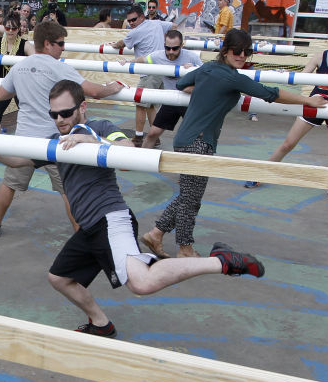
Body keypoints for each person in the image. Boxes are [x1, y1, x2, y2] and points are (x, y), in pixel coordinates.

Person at [39, 80, 263, 337]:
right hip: (89, 228)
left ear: (82, 108)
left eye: (65, 113)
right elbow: (16, 158)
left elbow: (129, 151)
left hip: (110, 219)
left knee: (141, 283)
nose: (59, 119)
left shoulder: (99, 128)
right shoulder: (58, 140)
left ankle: (221, 261)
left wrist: (91, 140)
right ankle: (101, 323)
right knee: (59, 278)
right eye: (53, 114)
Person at [144, 29, 328, 258]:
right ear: (225, 50)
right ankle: (185, 248)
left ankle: (156, 233)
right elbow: (270, 93)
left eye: (247, 52)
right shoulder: (232, 77)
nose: (242, 56)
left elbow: (182, 83)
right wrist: (307, 100)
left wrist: (205, 89)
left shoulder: (208, 69)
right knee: (191, 199)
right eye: (237, 51)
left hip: (186, 138)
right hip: (199, 142)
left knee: (188, 195)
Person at [0, 20, 124, 238]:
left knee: (10, 183)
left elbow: (1, 95)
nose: (63, 48)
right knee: (68, 191)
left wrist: (24, 87)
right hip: (57, 141)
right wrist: (113, 87)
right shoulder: (59, 68)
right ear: (48, 44)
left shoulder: (20, 65)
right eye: (60, 43)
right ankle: (80, 234)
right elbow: (94, 92)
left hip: (25, 139)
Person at [245, 24, 328, 202]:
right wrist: (285, 74)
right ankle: (261, 174)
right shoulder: (320, 56)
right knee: (288, 144)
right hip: (315, 103)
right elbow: (301, 78)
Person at [111, 5, 175, 144]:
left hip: (149, 71)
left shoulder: (135, 32)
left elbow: (122, 44)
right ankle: (155, 137)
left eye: (133, 20)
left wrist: (114, 45)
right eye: (129, 21)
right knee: (150, 105)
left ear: (141, 17)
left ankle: (138, 137)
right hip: (162, 70)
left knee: (140, 104)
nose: (131, 23)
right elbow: (173, 25)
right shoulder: (157, 23)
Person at [139, 29, 203, 150]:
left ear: (182, 46)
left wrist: (194, 68)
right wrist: (126, 62)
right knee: (152, 133)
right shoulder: (158, 56)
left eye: (175, 48)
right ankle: (139, 160)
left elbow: (207, 75)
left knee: (199, 135)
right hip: (170, 100)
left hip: (189, 101)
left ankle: (200, 165)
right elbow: (143, 59)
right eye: (167, 48)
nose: (170, 52)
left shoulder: (192, 57)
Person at [0, 14, 34, 134]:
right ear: (4, 28)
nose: (10, 31)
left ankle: (31, 147)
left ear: (19, 29)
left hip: (21, 86)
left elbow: (36, 61)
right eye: (7, 28)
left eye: (14, 28)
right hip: (3, 84)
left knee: (28, 118)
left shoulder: (25, 44)